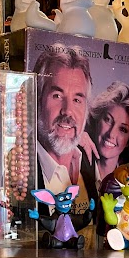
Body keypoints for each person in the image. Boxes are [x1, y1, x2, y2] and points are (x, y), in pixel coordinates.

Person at [33, 46, 97, 213]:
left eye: (77, 100)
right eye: (57, 96)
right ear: (38, 100)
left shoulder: (90, 161)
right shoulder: (20, 167)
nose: (67, 111)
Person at [86, 81, 129, 188]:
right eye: (108, 120)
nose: (111, 134)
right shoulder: (75, 167)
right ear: (98, 120)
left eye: (123, 129)